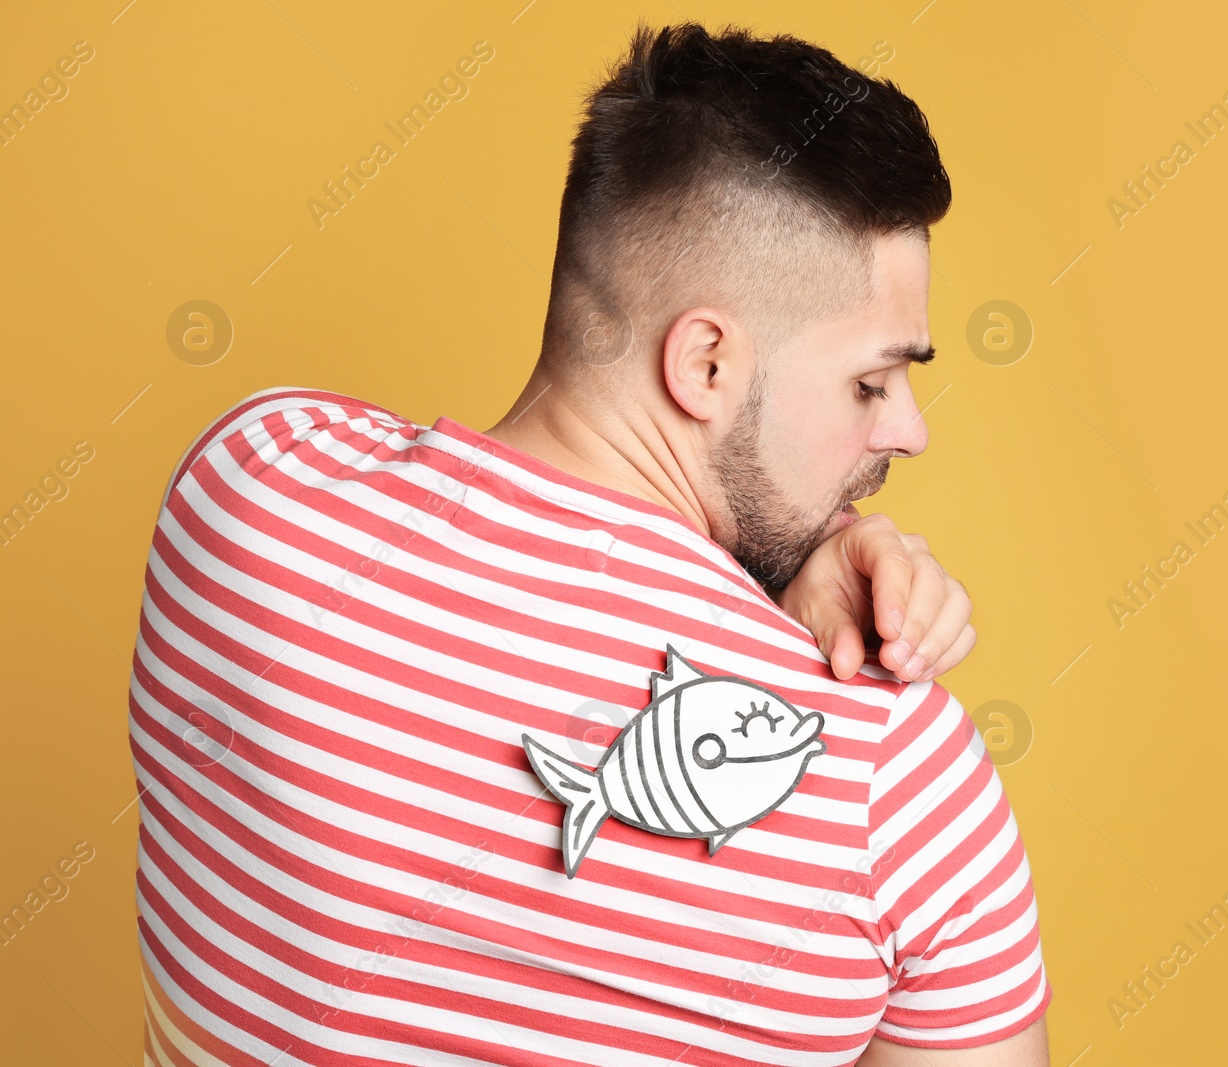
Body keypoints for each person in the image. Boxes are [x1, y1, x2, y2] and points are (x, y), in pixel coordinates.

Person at [128, 21, 1049, 1066]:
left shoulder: (245, 494)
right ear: (705, 365)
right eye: (870, 381)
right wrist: (795, 573)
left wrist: (794, 552)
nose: (907, 429)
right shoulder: (896, 779)